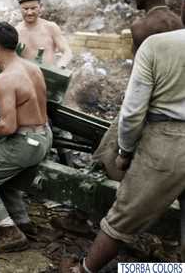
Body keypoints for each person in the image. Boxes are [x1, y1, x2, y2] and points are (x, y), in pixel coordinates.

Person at [65, 28, 185, 272]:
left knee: (121, 221)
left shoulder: (157, 45)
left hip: (168, 143)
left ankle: (83, 270)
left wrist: (125, 151)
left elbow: (132, 112)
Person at [93, 0, 183, 181]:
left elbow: (140, 80)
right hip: (176, 103)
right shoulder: (178, 21)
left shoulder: (142, 27)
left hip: (152, 110)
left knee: (107, 157)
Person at [0, 21, 52, 252]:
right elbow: (28, 95)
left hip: (25, 143)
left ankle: (9, 231)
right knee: (3, 176)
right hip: (44, 136)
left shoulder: (4, 79)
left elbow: (7, 127)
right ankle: (22, 221)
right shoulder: (31, 68)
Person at [16, 0, 72, 68]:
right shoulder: (16, 31)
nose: (29, 13)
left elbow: (67, 51)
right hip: (26, 78)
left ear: (40, 6)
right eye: (25, 9)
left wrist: (61, 65)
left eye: (33, 8)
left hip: (49, 78)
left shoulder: (50, 27)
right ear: (20, 8)